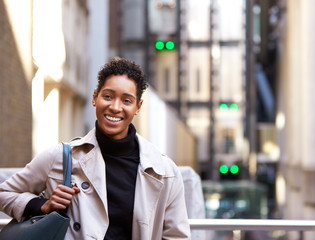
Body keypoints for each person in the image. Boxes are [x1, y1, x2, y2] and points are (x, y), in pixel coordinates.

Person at [0, 57, 191, 239]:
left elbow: (176, 236)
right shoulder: (62, 156)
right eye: (108, 96)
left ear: (138, 107)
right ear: (94, 97)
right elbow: (4, 193)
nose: (115, 107)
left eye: (126, 100)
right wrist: (42, 206)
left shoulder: (164, 172)